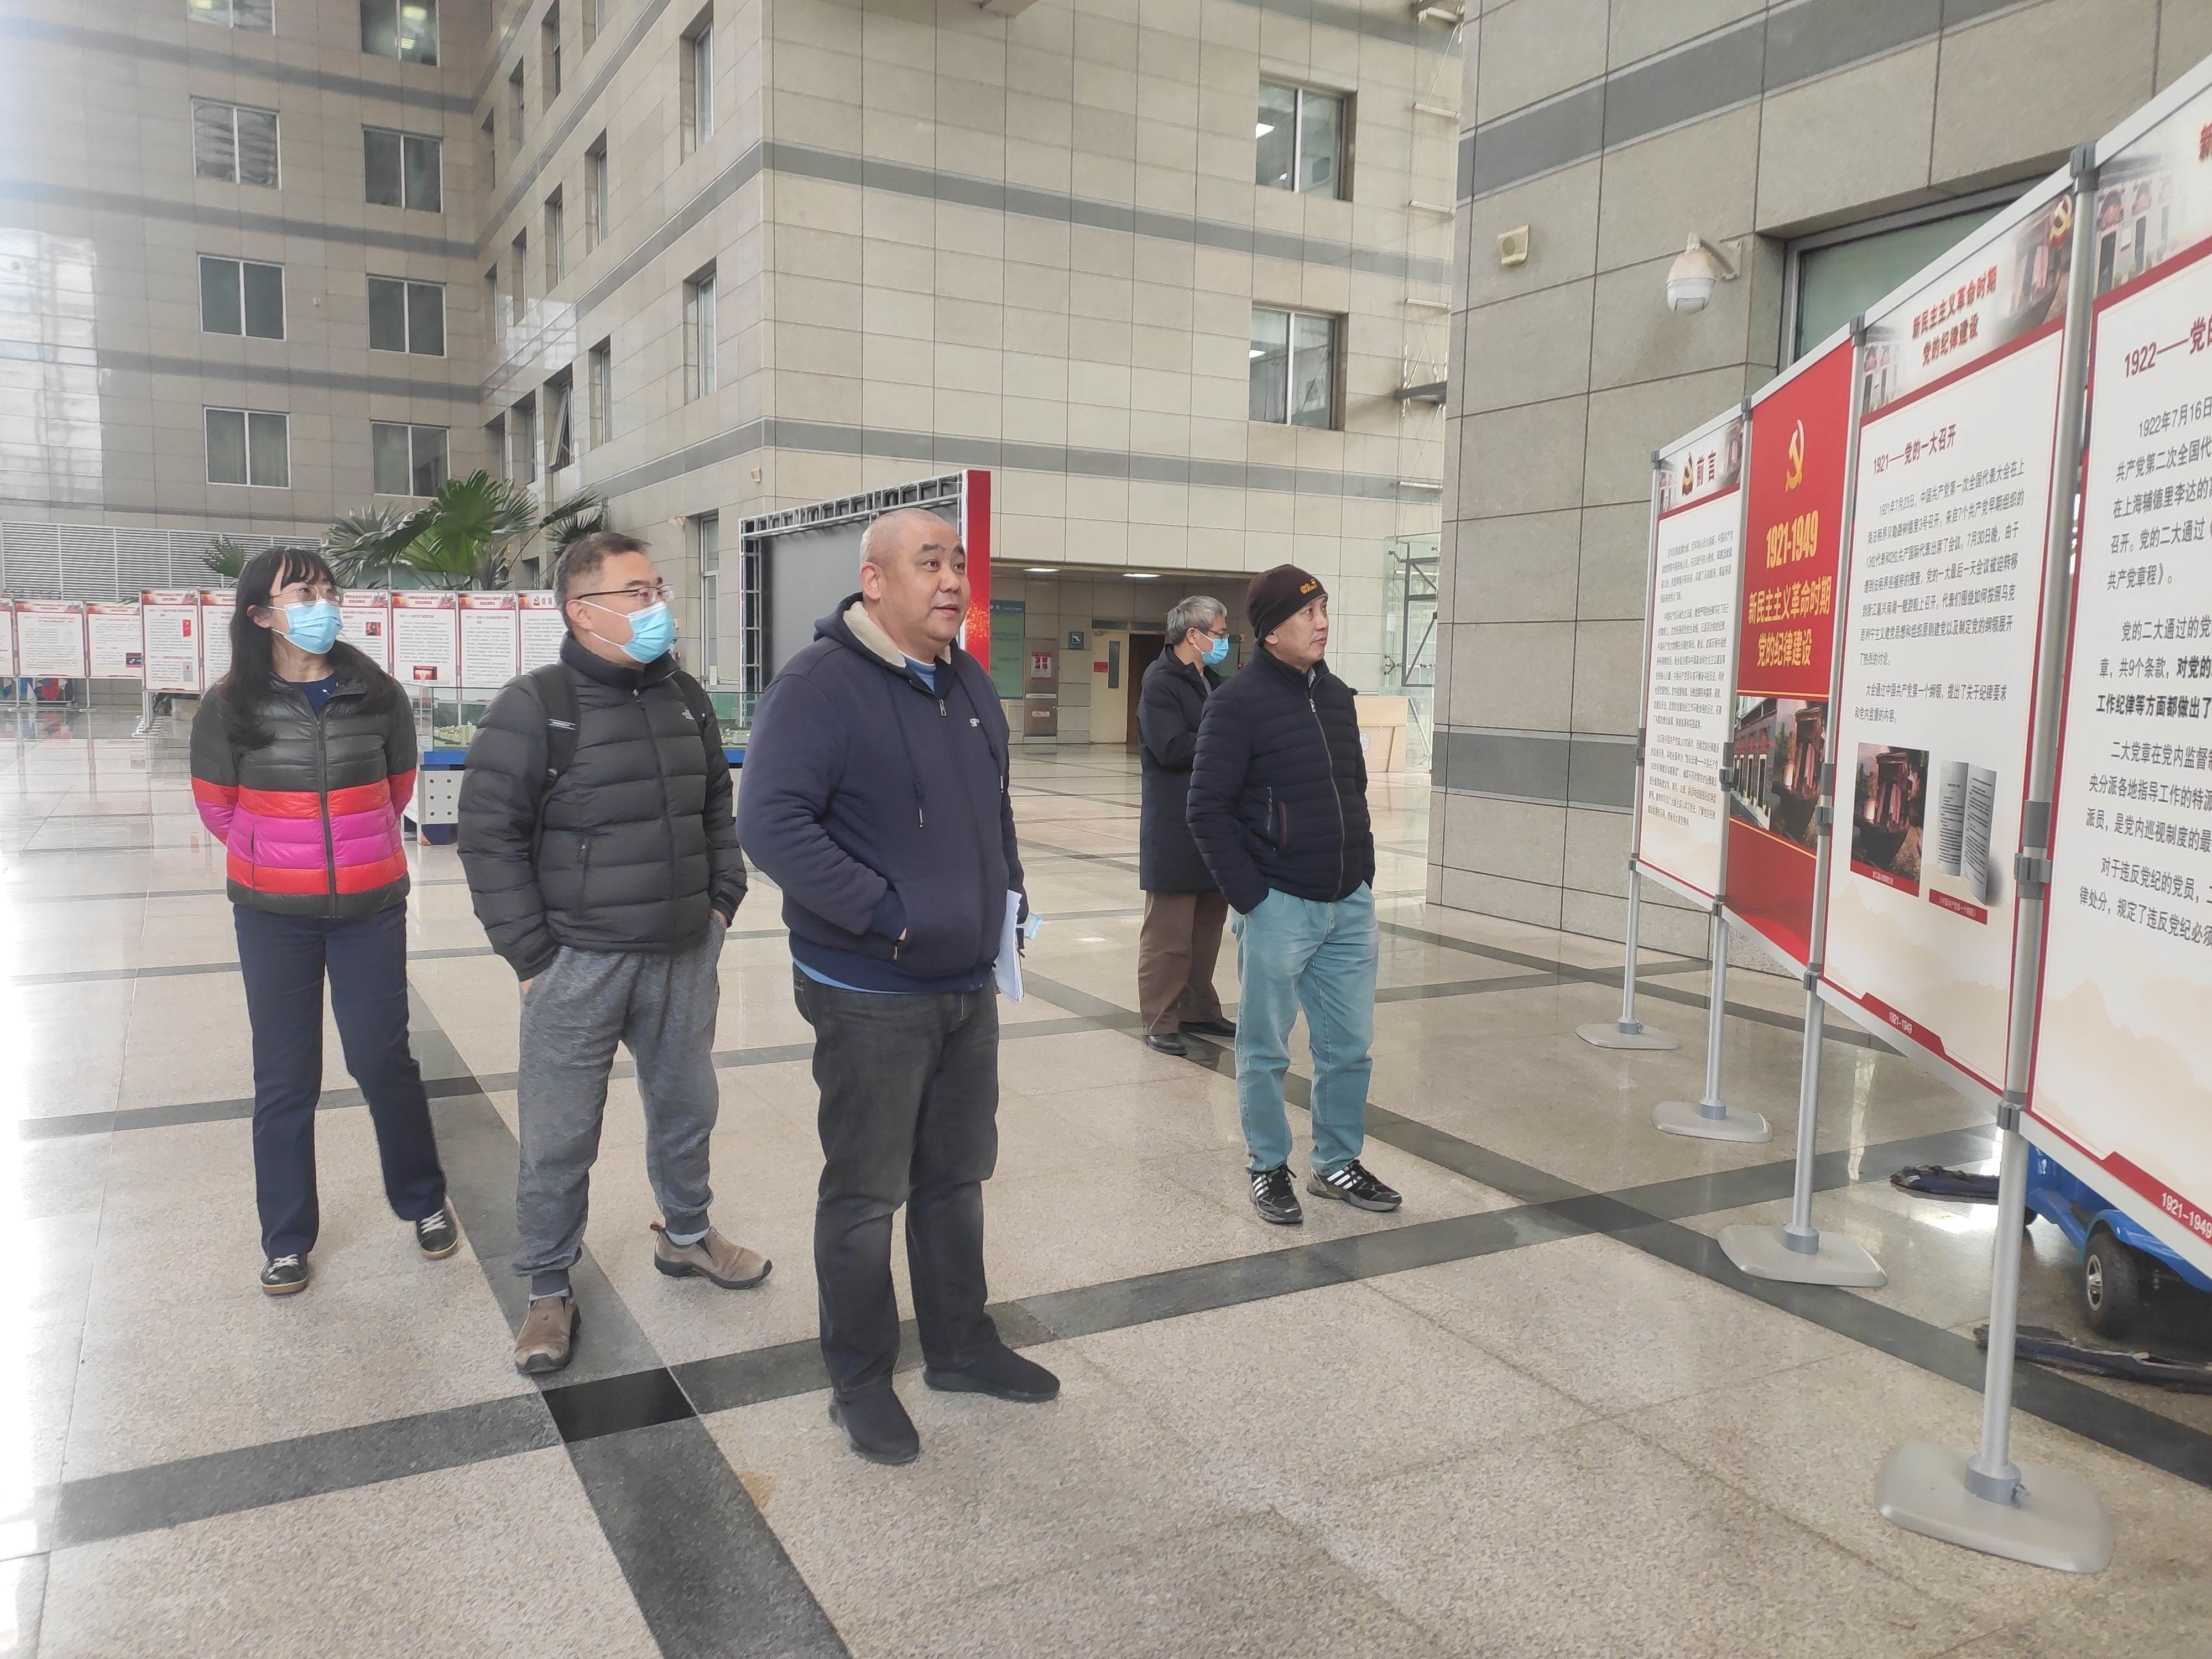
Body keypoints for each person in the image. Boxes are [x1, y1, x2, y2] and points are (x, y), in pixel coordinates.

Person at [738, 507, 1056, 1467]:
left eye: (958, 562)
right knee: (868, 1190)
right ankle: (861, 1379)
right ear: (875, 581)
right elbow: (771, 823)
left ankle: (960, 1347)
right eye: (929, 563)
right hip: (869, 985)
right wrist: (888, 914)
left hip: (967, 980)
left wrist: (1008, 899)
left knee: (955, 1176)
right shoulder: (819, 686)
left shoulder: (968, 682)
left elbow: (993, 811)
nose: (952, 580)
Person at [458, 531, 764, 1376]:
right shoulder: (535, 706)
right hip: (579, 962)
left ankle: (687, 1235)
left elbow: (715, 806)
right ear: (583, 611)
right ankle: (548, 1286)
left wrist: (721, 902)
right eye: (637, 593)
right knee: (559, 1134)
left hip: (682, 951)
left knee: (687, 1107)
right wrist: (532, 956)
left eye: (657, 589)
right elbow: (488, 838)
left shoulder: (686, 698)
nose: (656, 606)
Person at [190, 547, 456, 1296]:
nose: (323, 603)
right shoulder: (228, 705)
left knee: (383, 1060)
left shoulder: (377, 693)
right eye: (303, 593)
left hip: (370, 908)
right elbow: (218, 807)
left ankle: (423, 1200)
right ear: (260, 615)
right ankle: (286, 1237)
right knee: (284, 1076)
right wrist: (280, 860)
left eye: (327, 590)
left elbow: (397, 788)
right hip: (273, 915)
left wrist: (352, 855)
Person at [1186, 565, 1400, 1227]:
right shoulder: (1236, 703)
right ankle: (1267, 1166)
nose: (1322, 622)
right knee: (1265, 1049)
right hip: (1280, 903)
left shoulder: (1335, 696)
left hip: (1347, 902)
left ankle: (1336, 1163)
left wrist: (1362, 871)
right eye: (1308, 613)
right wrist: (1254, 898)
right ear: (1271, 631)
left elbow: (1353, 789)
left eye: (1324, 609)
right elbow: (1205, 809)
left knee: (1348, 1047)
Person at [1135, 595, 1237, 1056]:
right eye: (1219, 634)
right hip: (1175, 824)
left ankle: (1198, 1009)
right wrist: (1223, 741)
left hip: (1213, 822)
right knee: (1170, 933)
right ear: (1193, 635)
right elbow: (1171, 747)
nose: (1225, 642)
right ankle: (1161, 1017)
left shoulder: (1211, 681)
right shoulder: (1161, 682)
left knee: (1207, 927)